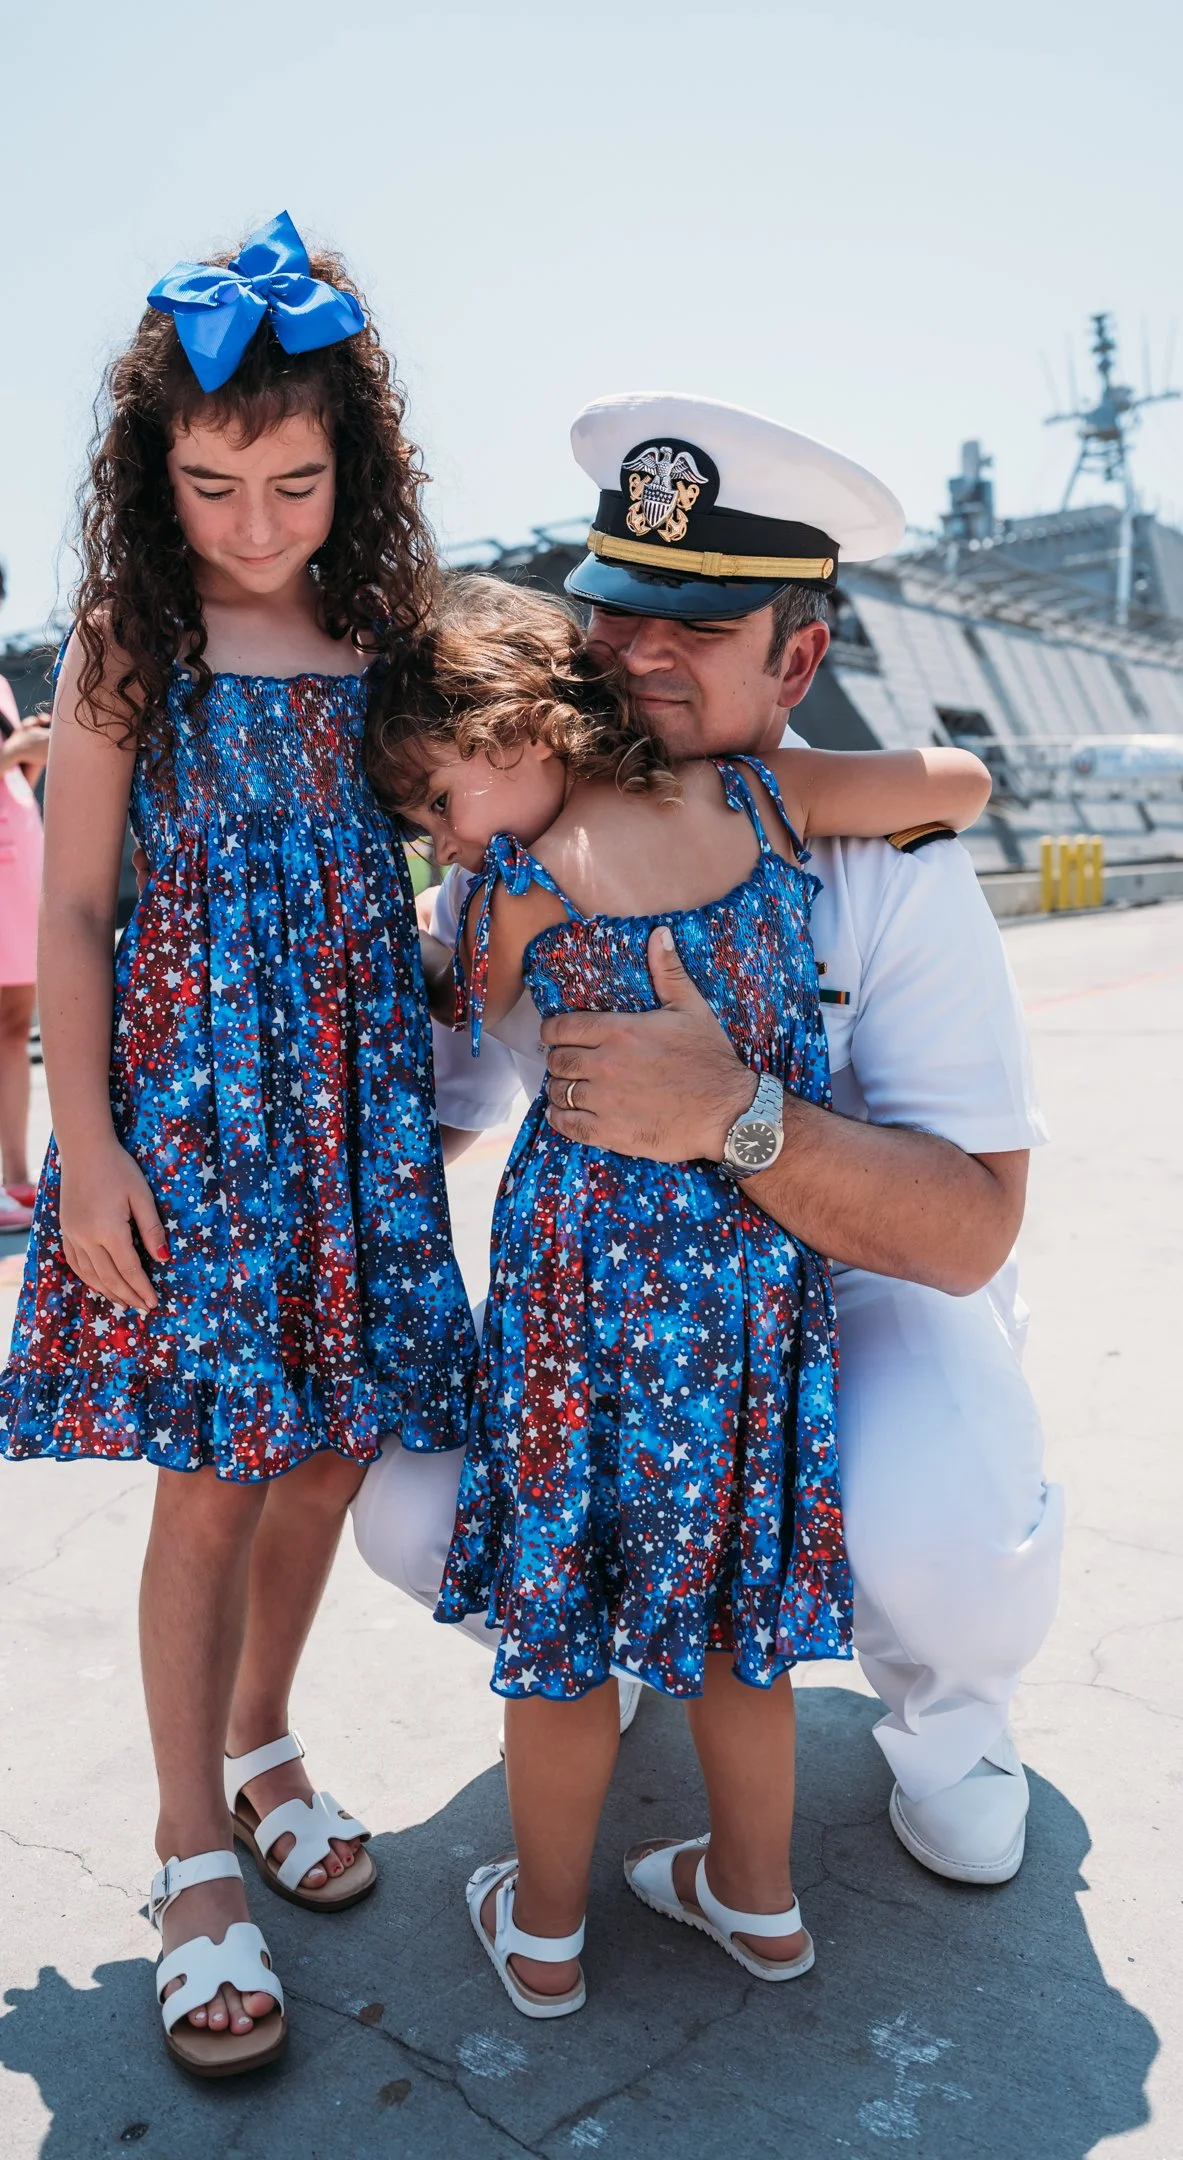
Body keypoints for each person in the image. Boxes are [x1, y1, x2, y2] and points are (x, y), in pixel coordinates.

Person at [359, 393, 1059, 1893]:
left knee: (931, 1519)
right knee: (409, 1482)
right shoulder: (523, 851)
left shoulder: (871, 861)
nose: (638, 655)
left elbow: (965, 1231)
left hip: (853, 1272)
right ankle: (612, 1638)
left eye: (698, 627)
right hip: (616, 1290)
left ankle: (950, 1716)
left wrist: (729, 1112)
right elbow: (437, 1105)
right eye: (617, 614)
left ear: (796, 659)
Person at [0, 213, 475, 2077]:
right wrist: (83, 1146)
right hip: (190, 1119)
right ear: (151, 473)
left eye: (293, 482)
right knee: (210, 1468)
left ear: (350, 468)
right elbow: (81, 915)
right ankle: (193, 1851)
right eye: (212, 485)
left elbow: (486, 823)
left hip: (353, 1106)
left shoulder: (383, 635)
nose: (256, 523)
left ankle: (266, 1734)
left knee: (337, 1434)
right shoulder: (131, 638)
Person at [0, 567, 51, 1233]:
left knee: (14, 1026)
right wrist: (18, 747)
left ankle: (14, 1178)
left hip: (15, 857)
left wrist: (24, 759)